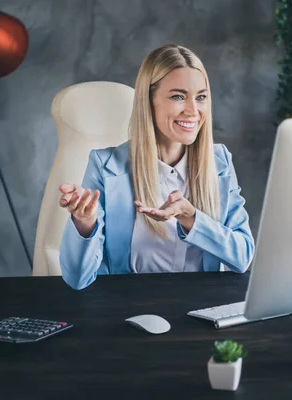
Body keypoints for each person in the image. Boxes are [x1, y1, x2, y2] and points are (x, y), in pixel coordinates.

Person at [58, 44, 255, 290]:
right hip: (127, 310)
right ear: (148, 101)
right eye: (178, 96)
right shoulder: (106, 166)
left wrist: (191, 218)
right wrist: (85, 224)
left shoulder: (220, 162)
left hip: (200, 310)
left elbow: (243, 257)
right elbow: (77, 279)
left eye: (201, 97)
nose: (193, 111)